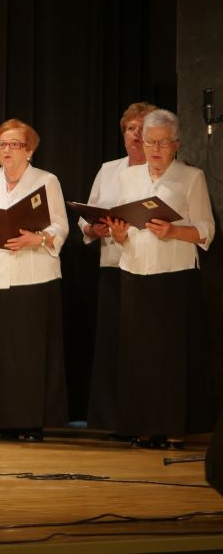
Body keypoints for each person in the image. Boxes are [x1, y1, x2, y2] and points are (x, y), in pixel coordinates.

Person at [106, 109, 215, 450]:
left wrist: (173, 230)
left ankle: (172, 428)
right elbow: (120, 233)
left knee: (170, 355)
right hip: (134, 271)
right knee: (138, 353)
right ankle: (142, 425)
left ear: (176, 145)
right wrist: (118, 233)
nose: (154, 149)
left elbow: (206, 230)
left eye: (162, 143)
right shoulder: (129, 178)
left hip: (174, 275)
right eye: (149, 142)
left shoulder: (191, 177)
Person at [0, 119, 69, 442]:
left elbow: (60, 225)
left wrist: (40, 239)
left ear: (29, 150)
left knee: (28, 353)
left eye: (14, 144)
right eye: (2, 144)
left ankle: (30, 422)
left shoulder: (46, 181)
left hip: (32, 277)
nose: (7, 150)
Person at [81, 102, 157, 435]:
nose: (136, 135)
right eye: (130, 129)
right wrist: (91, 228)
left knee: (142, 343)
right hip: (113, 265)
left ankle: (143, 418)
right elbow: (89, 215)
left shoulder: (163, 170)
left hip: (148, 268)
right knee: (112, 343)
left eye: (143, 128)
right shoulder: (108, 169)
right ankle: (109, 420)